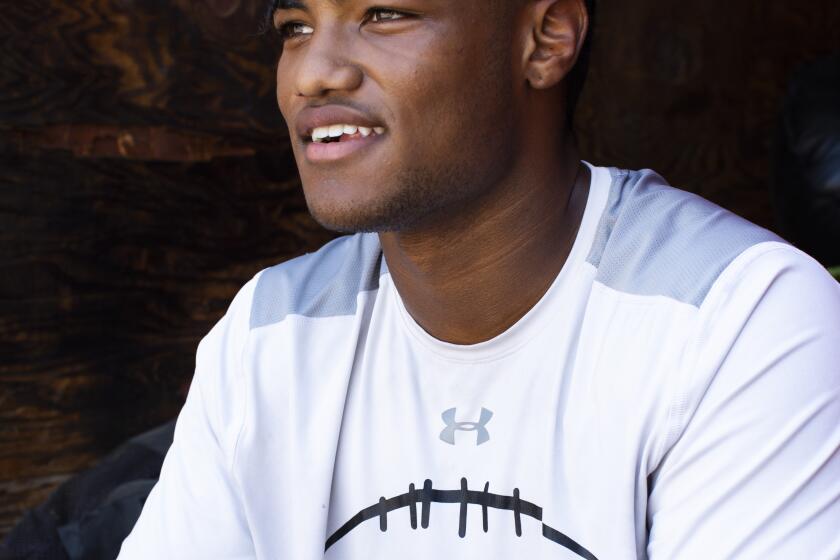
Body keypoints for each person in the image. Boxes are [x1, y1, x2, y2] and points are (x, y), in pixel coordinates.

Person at [117, 0, 840, 558]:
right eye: (296, 26)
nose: (313, 72)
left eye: (384, 14)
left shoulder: (741, 317)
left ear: (546, 38)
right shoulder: (268, 331)